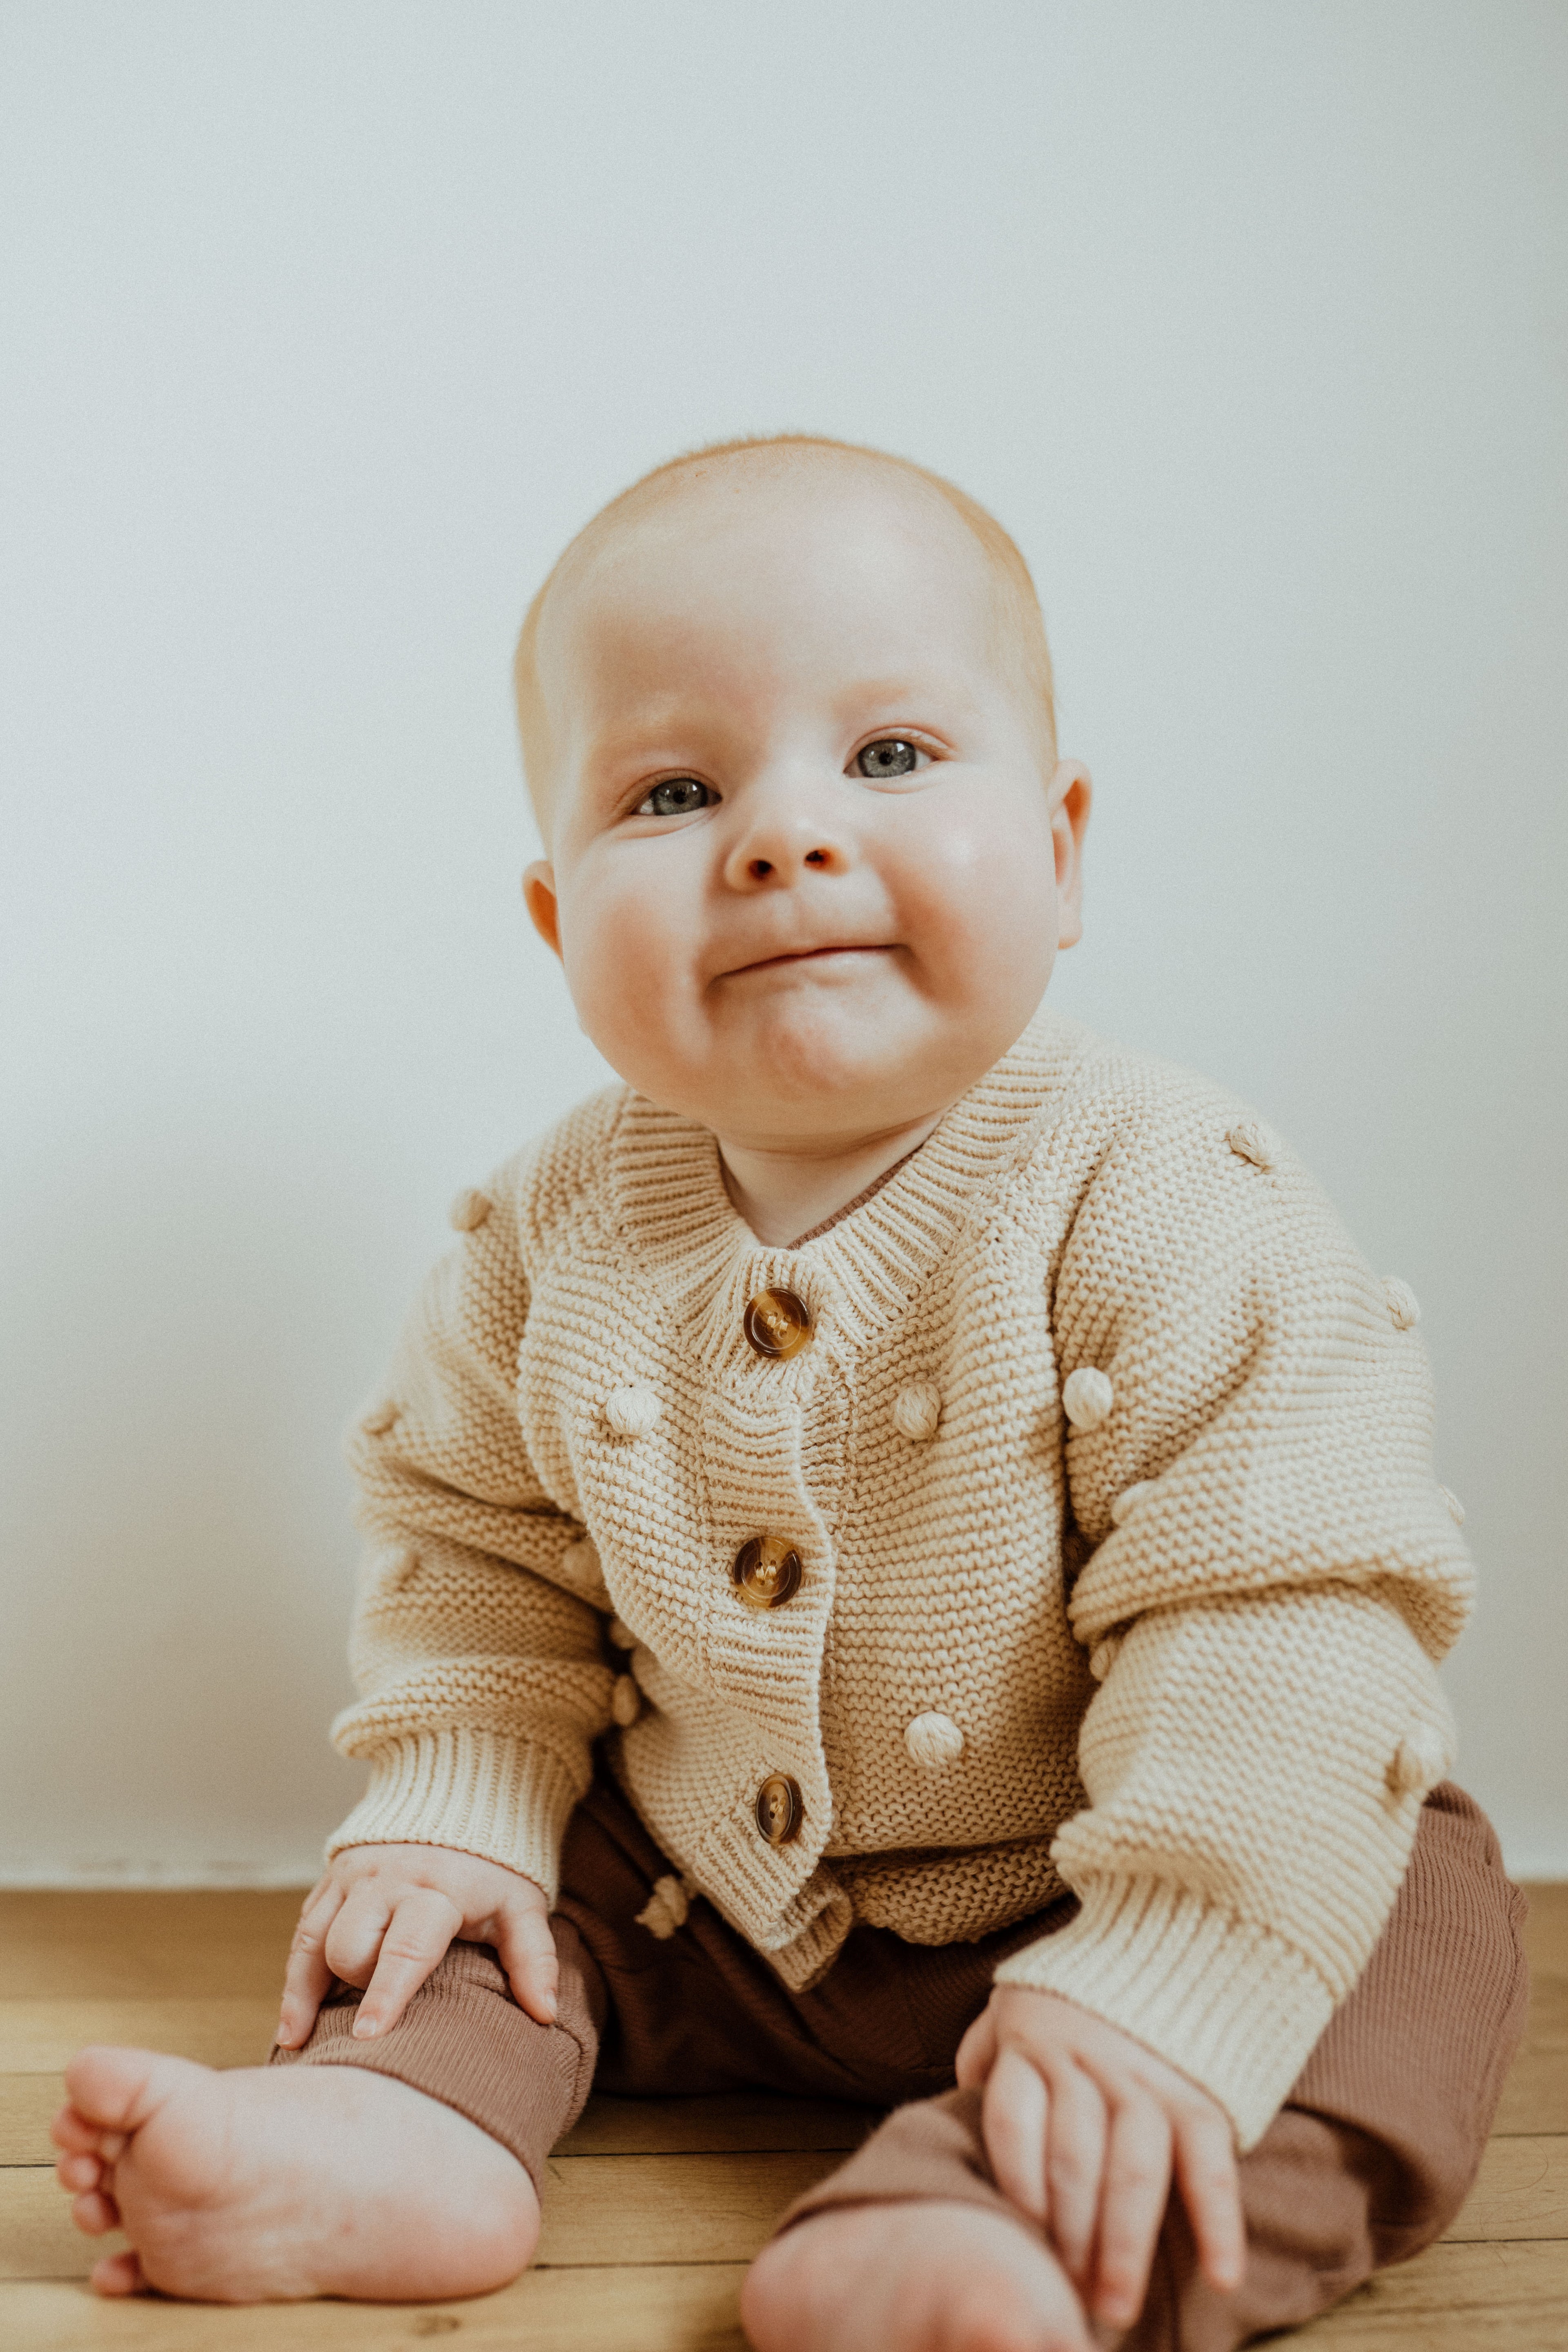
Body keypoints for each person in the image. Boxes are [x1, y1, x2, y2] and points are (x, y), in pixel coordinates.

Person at [51, 436, 1526, 2349]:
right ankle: (393, 2126)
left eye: (892, 759)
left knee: (1392, 1909)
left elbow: (1281, 1613)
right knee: (471, 1893)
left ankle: (1011, 2221)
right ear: (555, 917)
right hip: (712, 1909)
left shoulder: (1170, 1196)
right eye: (675, 791)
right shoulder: (549, 1229)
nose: (783, 837)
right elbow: (474, 1548)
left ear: (1065, 849)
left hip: (1112, 1877)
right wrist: (460, 1794)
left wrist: (1166, 1959)